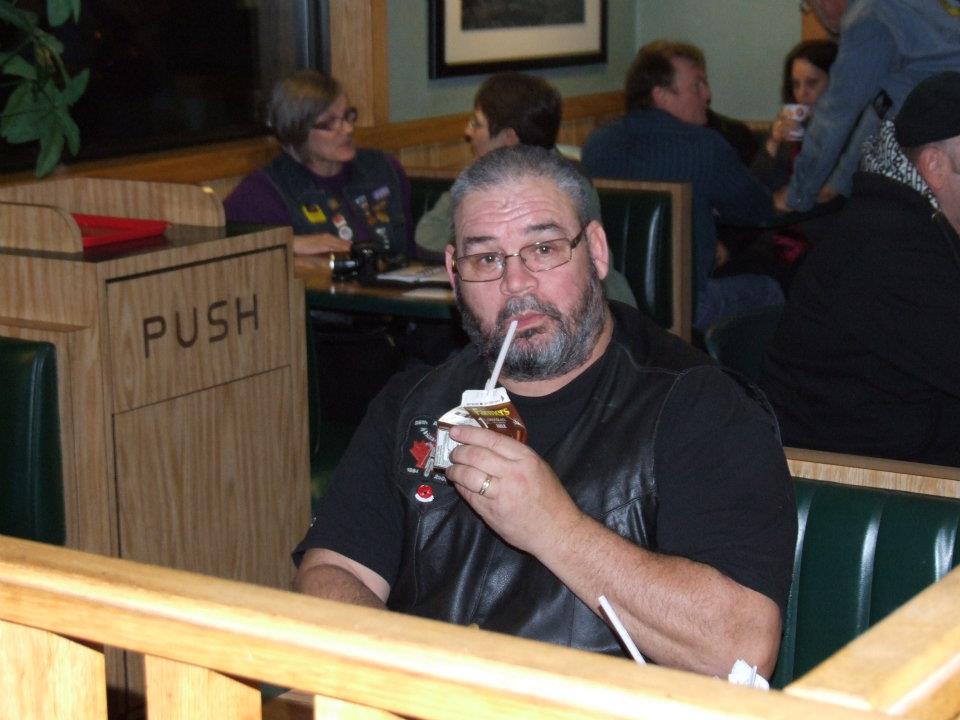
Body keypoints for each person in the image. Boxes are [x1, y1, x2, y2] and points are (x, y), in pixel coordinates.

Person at [293, 145, 797, 678]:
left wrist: (554, 528)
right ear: (454, 274)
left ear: (596, 251)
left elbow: (741, 649)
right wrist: (411, 677)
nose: (516, 284)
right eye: (486, 259)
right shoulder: (414, 402)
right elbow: (329, 573)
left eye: (543, 248)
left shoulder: (699, 405)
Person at [761, 71, 960, 466]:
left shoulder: (917, 220)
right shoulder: (889, 243)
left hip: (907, 447)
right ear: (935, 166)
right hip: (849, 478)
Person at [581, 40, 782, 332]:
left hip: (611, 304)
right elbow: (759, 210)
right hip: (687, 307)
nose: (707, 94)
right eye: (697, 86)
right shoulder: (704, 146)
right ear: (661, 95)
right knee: (773, 287)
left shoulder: (597, 143)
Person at [415, 71, 637, 309]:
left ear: (509, 139)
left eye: (477, 124)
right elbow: (427, 234)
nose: (468, 132)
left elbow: (427, 237)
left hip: (598, 310)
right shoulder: (519, 178)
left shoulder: (560, 186)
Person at [776, 0, 960, 213]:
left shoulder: (869, 15)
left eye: (811, 5)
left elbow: (835, 114)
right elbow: (884, 105)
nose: (818, 13)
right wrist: (841, 181)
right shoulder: (903, 12)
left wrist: (797, 196)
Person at [224, 69, 414, 259]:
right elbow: (223, 249)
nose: (348, 129)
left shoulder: (381, 167)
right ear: (297, 131)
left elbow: (410, 250)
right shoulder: (262, 193)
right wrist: (289, 244)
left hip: (398, 275)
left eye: (348, 116)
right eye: (329, 123)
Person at [752, 39, 839, 194]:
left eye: (812, 83)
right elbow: (755, 188)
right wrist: (774, 143)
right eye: (796, 84)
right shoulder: (790, 124)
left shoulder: (852, 131)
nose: (801, 93)